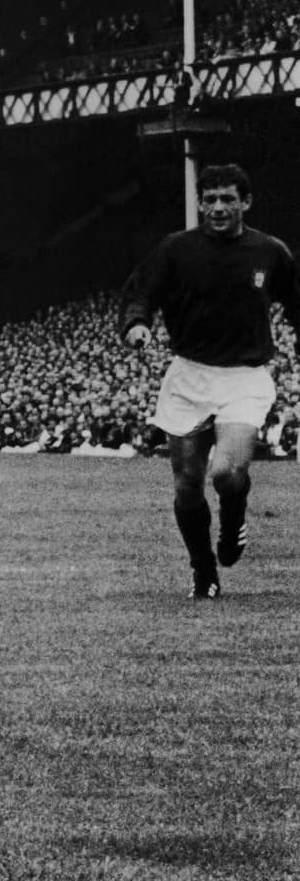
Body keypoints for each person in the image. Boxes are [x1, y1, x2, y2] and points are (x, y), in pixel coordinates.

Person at [118, 163, 300, 599]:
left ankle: (233, 521)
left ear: (246, 203)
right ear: (199, 203)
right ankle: (204, 573)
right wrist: (136, 324)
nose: (218, 207)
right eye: (211, 199)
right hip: (189, 376)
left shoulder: (270, 252)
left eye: (228, 199)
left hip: (244, 377)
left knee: (228, 473)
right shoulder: (176, 250)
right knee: (186, 485)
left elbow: (297, 305)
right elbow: (141, 291)